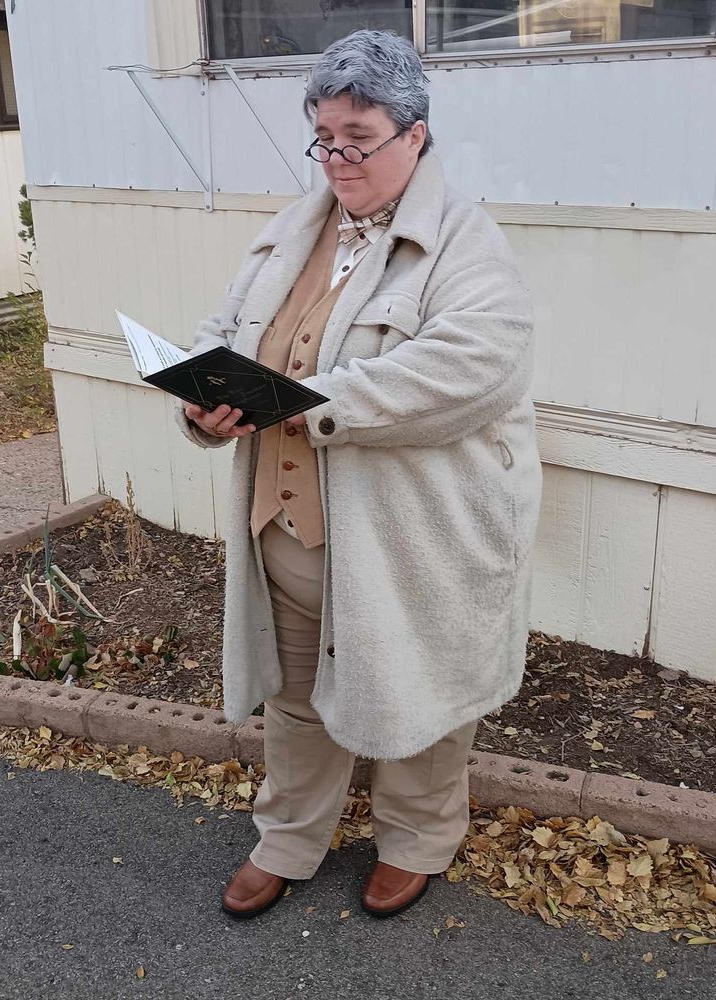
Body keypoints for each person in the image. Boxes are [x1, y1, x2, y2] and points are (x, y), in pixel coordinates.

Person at [175, 28, 542, 919]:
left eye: (357, 139)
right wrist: (201, 397)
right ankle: (290, 837)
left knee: (424, 695)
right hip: (289, 531)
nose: (336, 159)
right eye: (324, 137)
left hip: (415, 537)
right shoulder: (294, 231)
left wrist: (309, 400)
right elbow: (227, 327)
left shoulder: (467, 243)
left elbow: (470, 370)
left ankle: (417, 839)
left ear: (414, 134)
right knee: (298, 702)